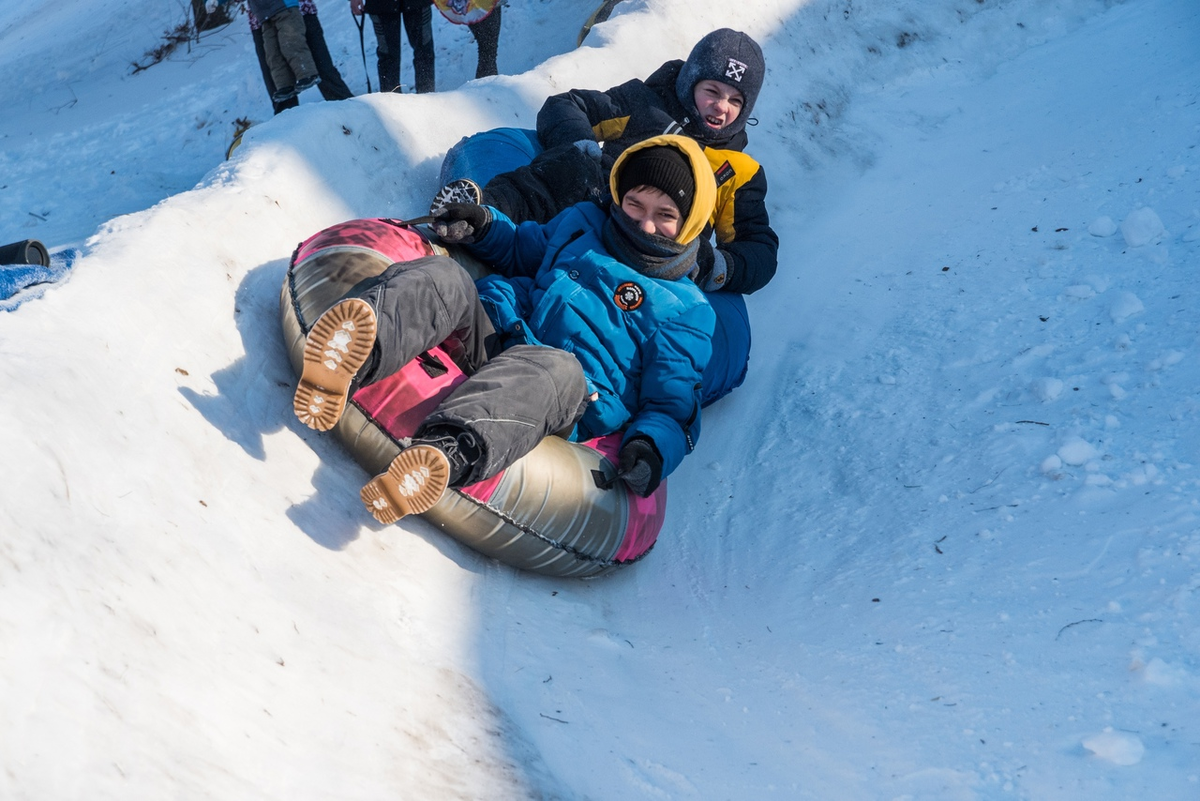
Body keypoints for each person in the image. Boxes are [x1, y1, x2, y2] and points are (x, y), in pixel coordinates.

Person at [292, 135, 717, 523]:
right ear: (619, 195)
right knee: (448, 278)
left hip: (563, 392)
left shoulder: (687, 311)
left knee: (555, 367)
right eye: (635, 205)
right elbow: (520, 249)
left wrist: (651, 449)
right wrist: (480, 224)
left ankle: (443, 455)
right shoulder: (585, 222)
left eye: (665, 216)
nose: (644, 224)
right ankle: (349, 353)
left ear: (691, 222)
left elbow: (672, 406)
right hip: (503, 331)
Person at [433, 28, 777, 408]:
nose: (720, 107)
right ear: (690, 81)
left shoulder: (738, 172)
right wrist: (582, 149)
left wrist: (711, 264)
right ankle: (479, 213)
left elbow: (758, 249)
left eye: (735, 101)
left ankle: (598, 373)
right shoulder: (646, 105)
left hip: (650, 259)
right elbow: (566, 105)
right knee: (569, 169)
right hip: (590, 213)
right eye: (712, 91)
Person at [247, 1, 355, 114]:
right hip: (262, 20)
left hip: (297, 9)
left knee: (323, 69)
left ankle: (350, 114)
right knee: (279, 84)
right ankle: (288, 127)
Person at [350, 0, 435, 93]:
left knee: (424, 50)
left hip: (418, 3)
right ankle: (391, 100)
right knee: (388, 56)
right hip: (381, 5)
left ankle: (427, 95)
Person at [432, 0, 503, 79]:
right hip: (482, 4)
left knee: (487, 50)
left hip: (472, 6)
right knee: (488, 51)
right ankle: (487, 88)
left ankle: (486, 87)